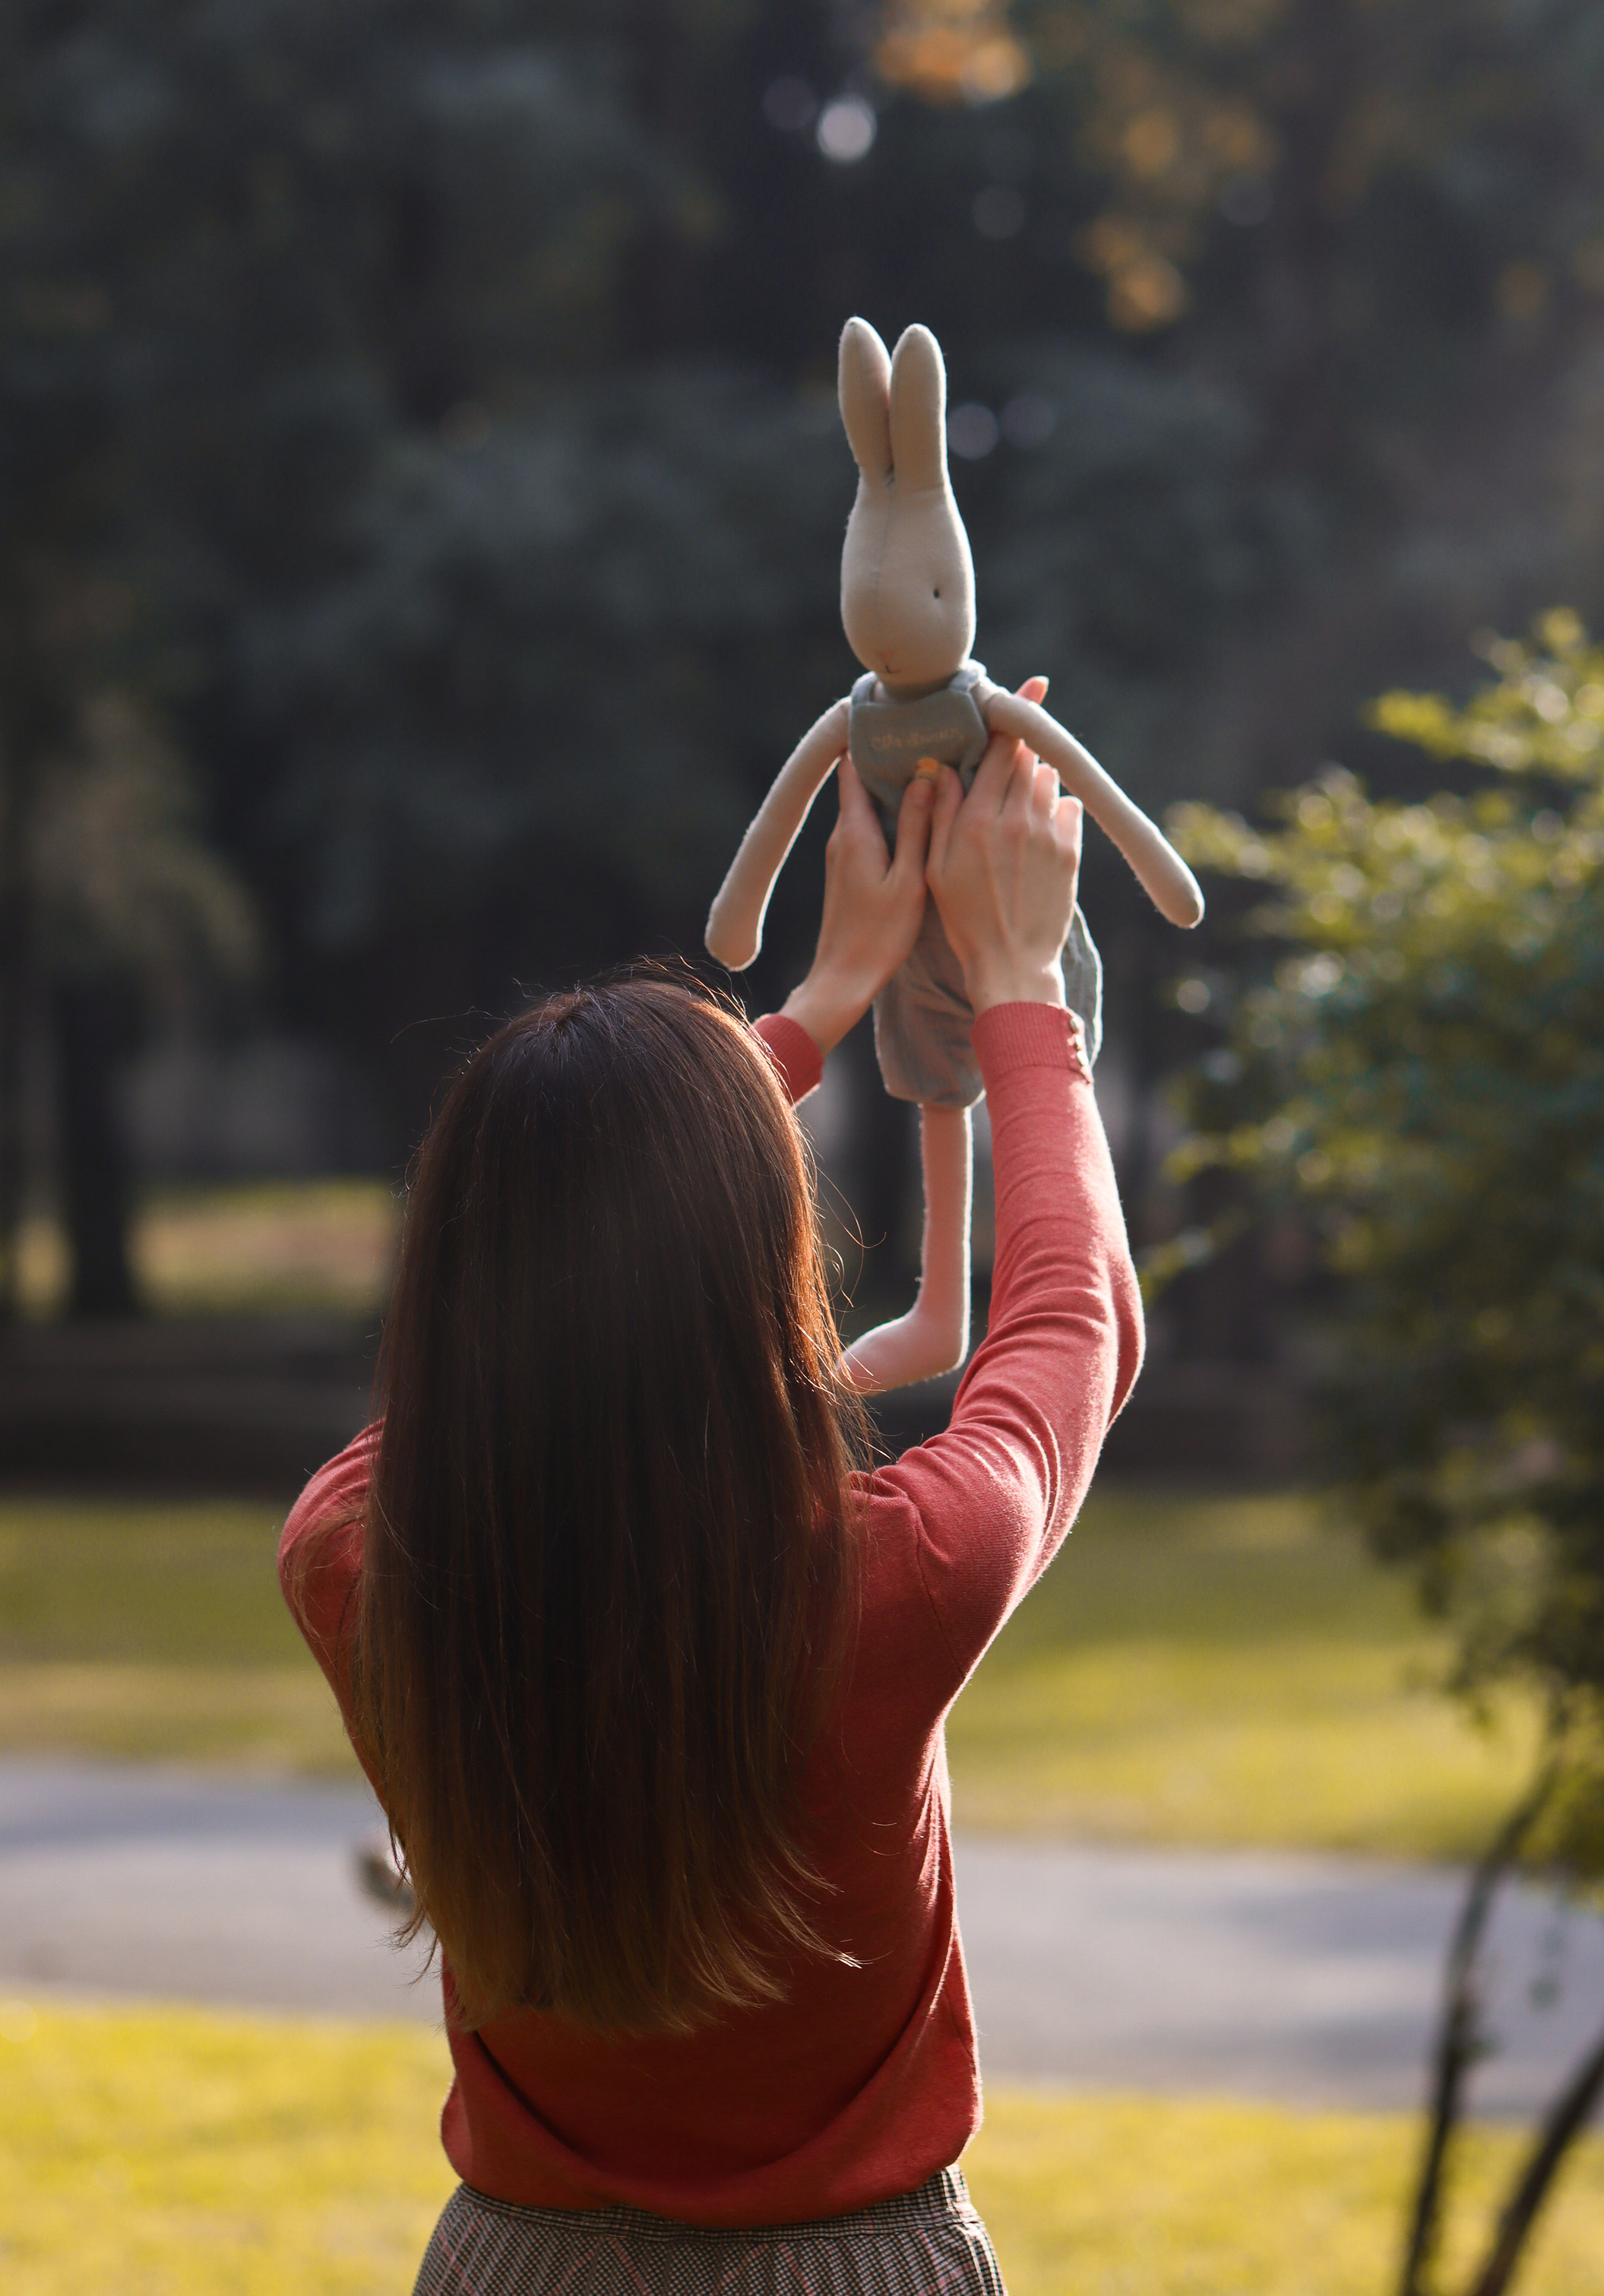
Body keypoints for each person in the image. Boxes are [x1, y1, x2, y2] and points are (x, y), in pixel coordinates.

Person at [279, 727, 1146, 2296]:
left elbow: (534, 1295)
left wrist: (811, 1010)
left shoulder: (354, 1560)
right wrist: (1019, 990)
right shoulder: (901, 1576)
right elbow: (1075, 1325)